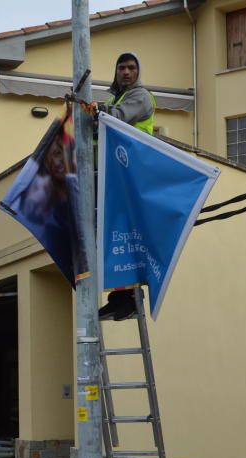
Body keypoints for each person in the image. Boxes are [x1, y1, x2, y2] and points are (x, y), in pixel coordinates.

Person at [81, 53, 157, 321]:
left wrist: (95, 111)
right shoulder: (115, 98)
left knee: (120, 234)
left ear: (138, 72)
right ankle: (120, 299)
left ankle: (129, 300)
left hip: (128, 172)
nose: (126, 72)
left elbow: (117, 119)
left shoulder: (140, 96)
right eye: (122, 68)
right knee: (111, 237)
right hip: (110, 173)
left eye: (131, 68)